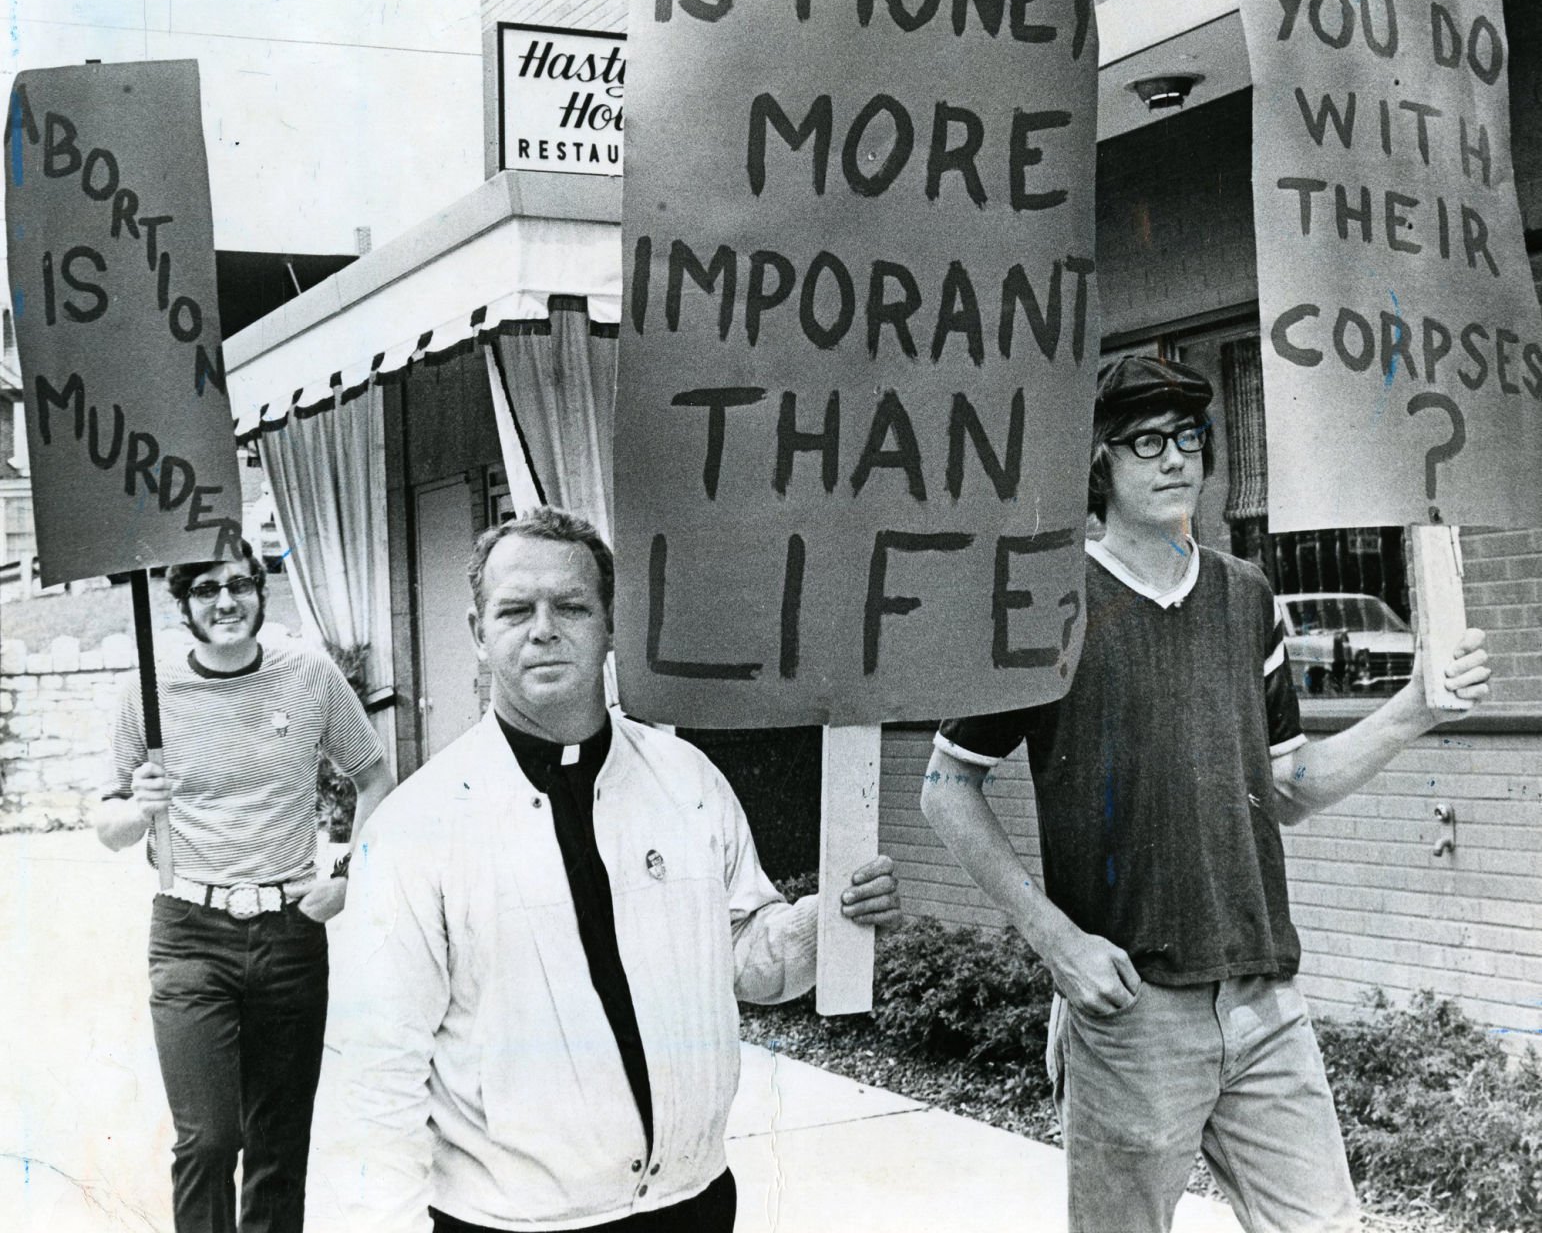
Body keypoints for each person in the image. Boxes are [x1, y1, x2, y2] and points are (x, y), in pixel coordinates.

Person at [921, 355, 1491, 1233]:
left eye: (1189, 438)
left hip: (1264, 998)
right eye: (1145, 441)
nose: (1174, 458)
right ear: (1098, 463)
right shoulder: (1048, 605)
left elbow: (1290, 786)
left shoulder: (1247, 594)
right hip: (1133, 1012)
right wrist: (1059, 944)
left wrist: (1414, 709)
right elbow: (946, 787)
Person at [327, 507, 901, 1233]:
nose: (543, 629)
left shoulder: (686, 781)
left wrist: (833, 919)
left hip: (690, 1203)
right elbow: (376, 1074)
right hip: (515, 1222)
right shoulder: (416, 828)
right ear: (478, 633)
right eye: (514, 610)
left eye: (571, 606)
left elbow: (749, 963)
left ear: (610, 624)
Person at [96, 540, 396, 1233]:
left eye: (240, 585)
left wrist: (349, 874)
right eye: (206, 590)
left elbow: (374, 776)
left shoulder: (308, 674)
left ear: (262, 591)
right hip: (189, 929)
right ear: (184, 606)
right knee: (208, 1139)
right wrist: (139, 808)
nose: (226, 601)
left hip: (290, 929)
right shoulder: (149, 688)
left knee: (279, 1143)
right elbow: (106, 825)